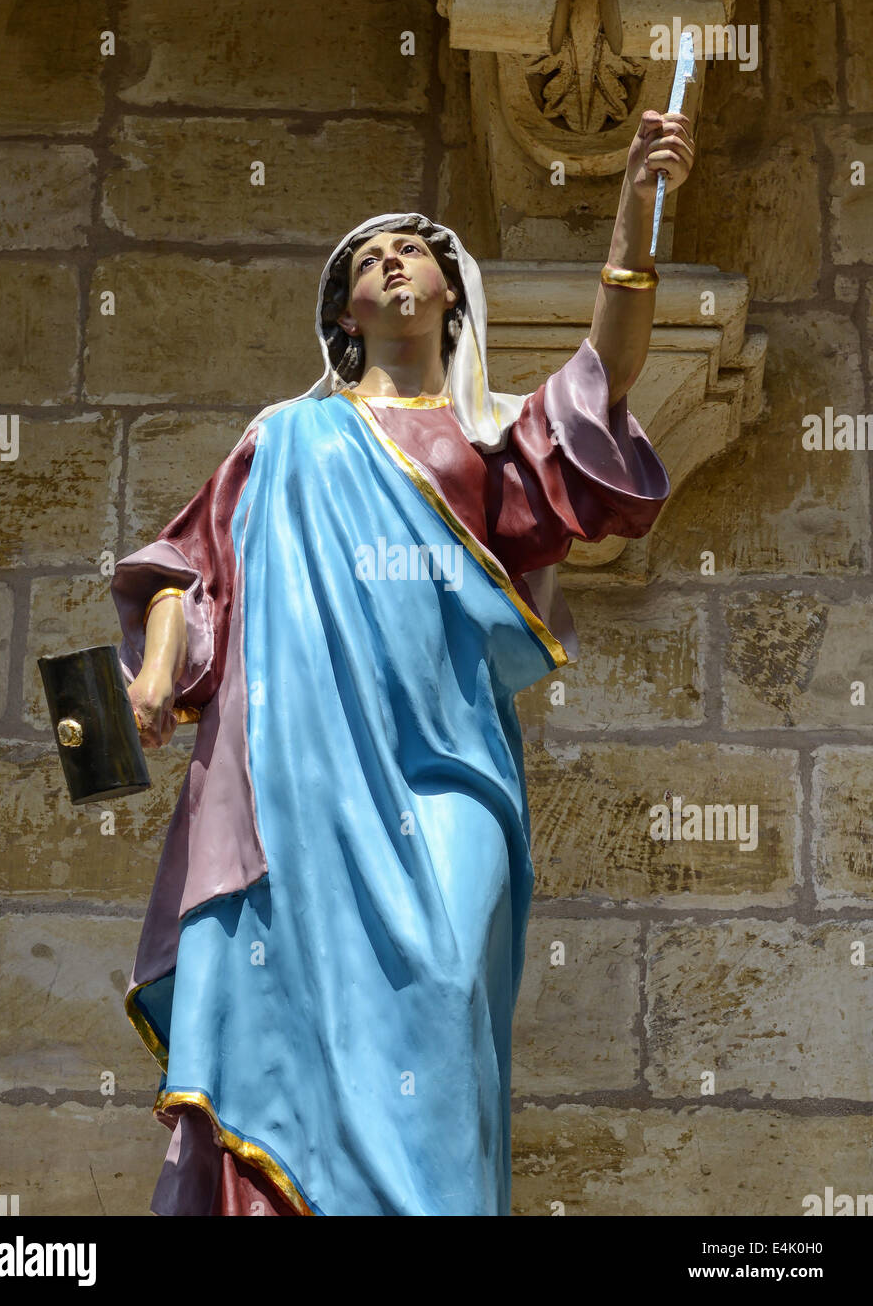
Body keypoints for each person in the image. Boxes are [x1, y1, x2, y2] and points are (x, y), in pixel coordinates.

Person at [110, 109, 694, 1216]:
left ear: (449, 292)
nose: (389, 258)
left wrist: (635, 206)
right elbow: (191, 572)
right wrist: (153, 672)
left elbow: (599, 381)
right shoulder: (284, 435)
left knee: (437, 987)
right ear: (344, 311)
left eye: (412, 247)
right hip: (296, 782)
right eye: (366, 257)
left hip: (448, 773)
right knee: (292, 1012)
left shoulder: (486, 442)